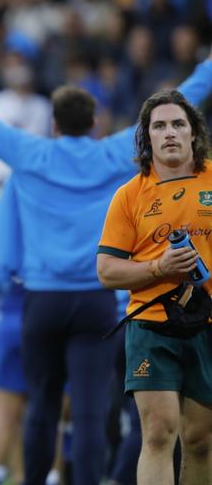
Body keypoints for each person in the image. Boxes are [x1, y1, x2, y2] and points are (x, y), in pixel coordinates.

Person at [0, 29, 212, 485]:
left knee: (39, 405)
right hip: (99, 299)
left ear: (55, 124)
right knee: (89, 408)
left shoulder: (30, 152)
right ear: (95, 122)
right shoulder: (114, 155)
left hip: (40, 299)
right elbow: (186, 96)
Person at [97, 89, 212, 485]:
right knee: (160, 431)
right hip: (151, 324)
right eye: (159, 125)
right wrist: (158, 267)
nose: (169, 133)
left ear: (193, 133)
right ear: (147, 136)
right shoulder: (129, 196)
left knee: (200, 440)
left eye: (178, 124)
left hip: (208, 323)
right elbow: (107, 270)